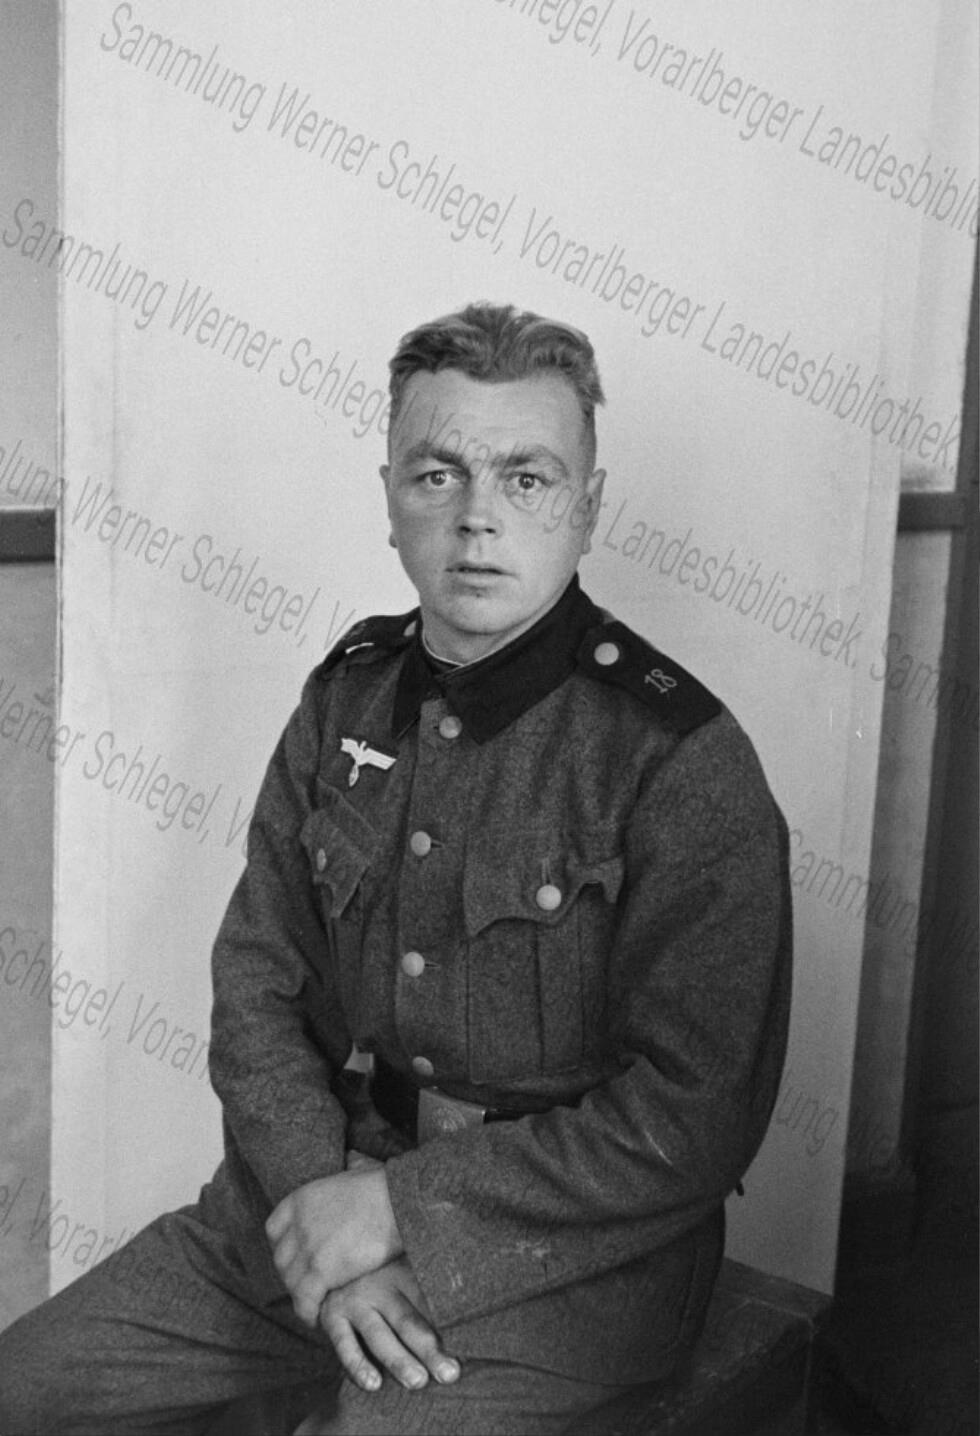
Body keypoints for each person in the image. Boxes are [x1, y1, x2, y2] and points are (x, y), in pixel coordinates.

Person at [0, 302, 792, 1435]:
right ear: (388, 498)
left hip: (561, 1267)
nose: (477, 519)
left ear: (587, 508)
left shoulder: (676, 758)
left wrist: (400, 1215)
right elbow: (258, 987)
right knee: (23, 1386)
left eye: (527, 479)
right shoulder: (347, 699)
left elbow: (692, 1116)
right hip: (312, 1194)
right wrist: (322, 1208)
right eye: (437, 474)